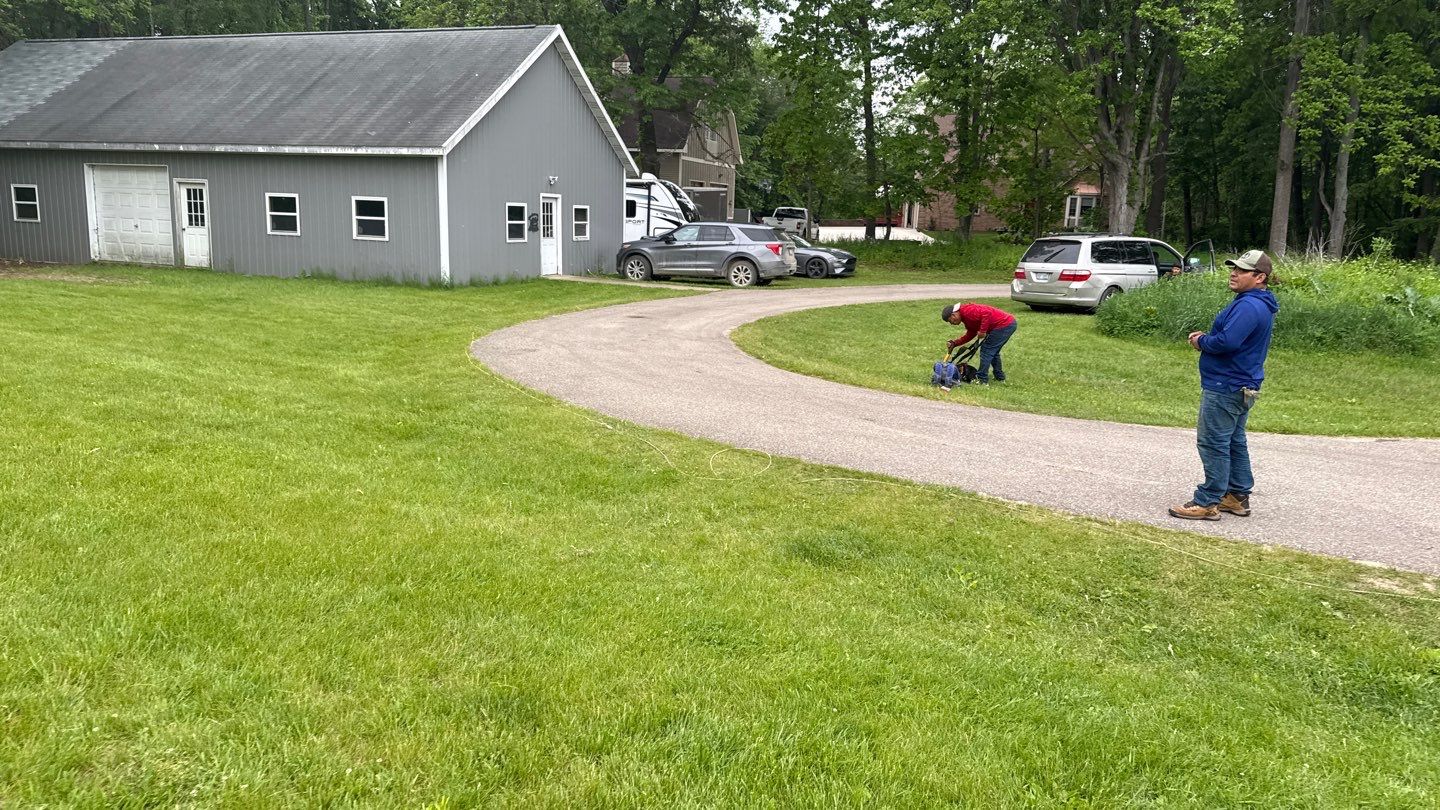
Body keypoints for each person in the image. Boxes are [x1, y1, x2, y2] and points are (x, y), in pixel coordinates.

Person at [1168, 249, 1279, 521]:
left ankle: (1208, 501)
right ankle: (1236, 496)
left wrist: (1201, 341)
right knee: (1234, 441)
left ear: (1259, 277)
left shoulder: (1249, 306)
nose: (1234, 273)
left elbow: (1228, 342)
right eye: (1234, 268)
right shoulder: (1259, 303)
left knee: (1213, 442)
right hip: (1243, 383)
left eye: (1242, 270)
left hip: (1226, 384)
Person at [940, 302, 1017, 385]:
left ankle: (982, 379)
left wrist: (983, 331)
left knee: (986, 351)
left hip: (1005, 324)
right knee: (992, 352)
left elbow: (987, 313)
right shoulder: (965, 318)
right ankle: (999, 377)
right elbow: (971, 334)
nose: (951, 323)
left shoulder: (967, 311)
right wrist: (955, 343)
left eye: (950, 321)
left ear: (953, 315)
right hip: (1006, 324)